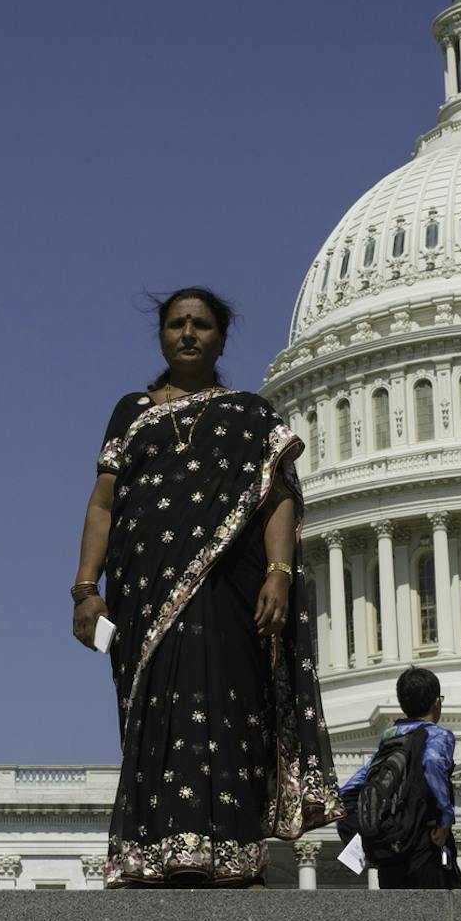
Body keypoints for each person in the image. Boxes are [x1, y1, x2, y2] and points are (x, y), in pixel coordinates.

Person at [70, 287, 341, 886]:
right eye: (175, 325)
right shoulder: (131, 412)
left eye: (200, 325)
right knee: (153, 714)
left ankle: (230, 852)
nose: (187, 334)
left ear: (220, 336)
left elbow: (279, 498)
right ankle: (149, 853)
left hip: (226, 596)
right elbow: (103, 503)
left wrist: (278, 574)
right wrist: (86, 588)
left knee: (223, 709)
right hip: (143, 594)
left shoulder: (250, 415)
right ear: (161, 334)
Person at [338, 665, 461, 888]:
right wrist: (444, 820)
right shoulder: (437, 735)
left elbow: (346, 794)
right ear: (437, 701)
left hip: (392, 857)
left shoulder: (389, 744)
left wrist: (367, 841)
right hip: (426, 850)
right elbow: (432, 763)